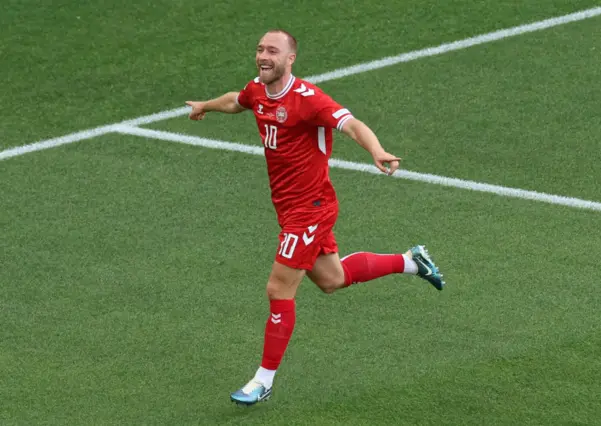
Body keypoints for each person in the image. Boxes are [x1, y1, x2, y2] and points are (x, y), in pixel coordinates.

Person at [185, 29, 445, 406]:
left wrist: (377, 150)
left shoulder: (308, 100)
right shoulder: (258, 90)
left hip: (311, 208)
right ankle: (411, 262)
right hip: (289, 208)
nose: (264, 55)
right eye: (260, 49)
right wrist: (205, 106)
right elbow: (236, 101)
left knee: (278, 288)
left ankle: (263, 380)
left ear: (291, 59)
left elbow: (351, 124)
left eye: (273, 50)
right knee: (331, 279)